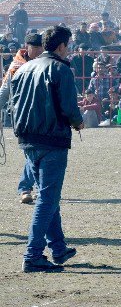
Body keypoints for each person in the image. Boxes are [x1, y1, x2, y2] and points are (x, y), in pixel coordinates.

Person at [11, 25, 83, 272]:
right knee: (48, 199)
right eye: (69, 45)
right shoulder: (62, 69)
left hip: (27, 139)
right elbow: (69, 106)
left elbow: (13, 103)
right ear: (62, 46)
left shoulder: (23, 68)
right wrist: (78, 121)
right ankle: (32, 256)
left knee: (47, 196)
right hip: (52, 139)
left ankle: (59, 249)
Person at [0, 33, 44, 204]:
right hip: (23, 116)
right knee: (33, 152)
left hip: (42, 115)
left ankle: (29, 188)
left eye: (41, 47)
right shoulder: (16, 67)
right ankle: (28, 188)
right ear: (27, 47)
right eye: (36, 47)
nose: (39, 50)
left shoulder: (44, 63)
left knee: (35, 151)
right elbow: (4, 91)